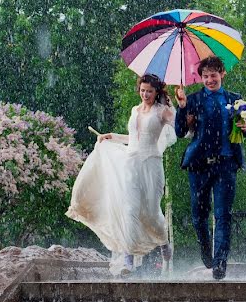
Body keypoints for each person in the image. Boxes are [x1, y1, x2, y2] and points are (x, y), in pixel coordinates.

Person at [67, 73, 176, 275]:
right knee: (129, 209)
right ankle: (128, 258)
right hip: (131, 164)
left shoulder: (163, 112)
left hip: (151, 165)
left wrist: (178, 105)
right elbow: (133, 138)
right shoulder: (135, 110)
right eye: (142, 90)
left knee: (151, 212)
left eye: (150, 91)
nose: (145, 94)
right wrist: (113, 137)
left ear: (156, 92)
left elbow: (181, 128)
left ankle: (163, 242)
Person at [175, 58, 246, 280]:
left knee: (223, 215)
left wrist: (244, 128)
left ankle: (220, 262)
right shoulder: (194, 100)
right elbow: (179, 131)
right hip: (199, 165)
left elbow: (241, 132)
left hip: (226, 164)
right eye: (205, 76)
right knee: (199, 216)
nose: (209, 80)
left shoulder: (235, 100)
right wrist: (182, 108)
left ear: (222, 74)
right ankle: (206, 248)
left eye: (213, 75)